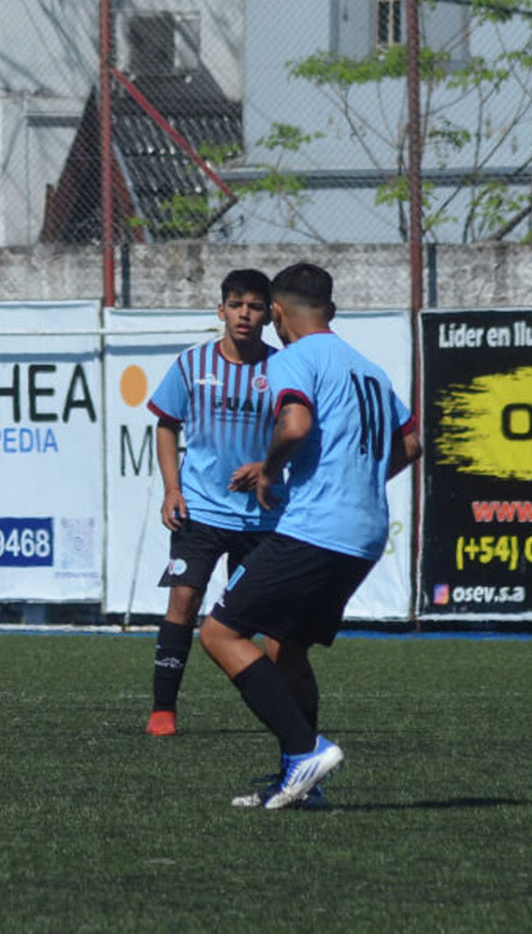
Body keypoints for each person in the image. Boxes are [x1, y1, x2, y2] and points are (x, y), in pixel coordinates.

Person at [201, 262, 419, 809]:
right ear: (332, 311)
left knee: (220, 634)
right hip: (365, 532)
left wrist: (271, 469)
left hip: (316, 528)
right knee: (287, 649)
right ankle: (303, 784)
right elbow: (412, 444)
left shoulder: (294, 359)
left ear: (275, 313)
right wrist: (360, 478)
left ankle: (304, 750)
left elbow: (294, 426)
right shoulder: (369, 369)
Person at [142, 270, 280, 737]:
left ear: (268, 313)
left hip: (262, 514)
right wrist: (172, 488)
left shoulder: (283, 370)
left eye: (255, 306)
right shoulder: (191, 365)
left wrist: (268, 466)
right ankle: (164, 709)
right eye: (236, 304)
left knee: (262, 618)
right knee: (183, 600)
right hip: (199, 510)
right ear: (220, 310)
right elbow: (166, 424)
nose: (245, 314)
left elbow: (300, 435)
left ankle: (279, 711)